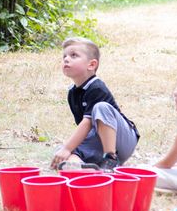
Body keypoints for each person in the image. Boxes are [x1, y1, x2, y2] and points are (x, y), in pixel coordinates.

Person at [50, 37, 140, 171]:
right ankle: (82, 167)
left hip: (122, 140)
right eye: (65, 56)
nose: (66, 59)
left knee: (101, 108)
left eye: (74, 55)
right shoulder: (72, 92)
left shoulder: (96, 87)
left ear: (91, 65)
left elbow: (87, 123)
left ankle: (111, 159)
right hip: (97, 143)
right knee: (61, 151)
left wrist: (68, 148)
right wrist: (68, 151)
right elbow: (85, 130)